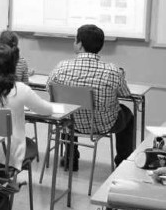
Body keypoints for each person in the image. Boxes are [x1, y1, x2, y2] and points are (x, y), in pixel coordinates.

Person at [47, 24, 134, 169]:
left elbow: (50, 90)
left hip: (71, 124)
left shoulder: (61, 67)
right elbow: (125, 94)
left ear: (80, 45)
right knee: (128, 115)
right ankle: (122, 164)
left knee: (70, 110)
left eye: (75, 40)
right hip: (104, 124)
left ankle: (70, 159)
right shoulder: (113, 71)